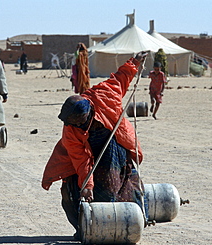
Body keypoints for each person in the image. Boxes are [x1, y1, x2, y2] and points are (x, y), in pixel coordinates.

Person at [41, 52, 147, 238]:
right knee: (72, 191)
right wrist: (87, 186)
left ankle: (131, 222)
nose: (73, 126)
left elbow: (121, 77)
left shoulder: (105, 94)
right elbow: (81, 160)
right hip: (84, 157)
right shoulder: (71, 130)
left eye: (78, 123)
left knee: (118, 183)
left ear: (88, 115)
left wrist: (135, 62)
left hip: (113, 145)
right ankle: (85, 229)